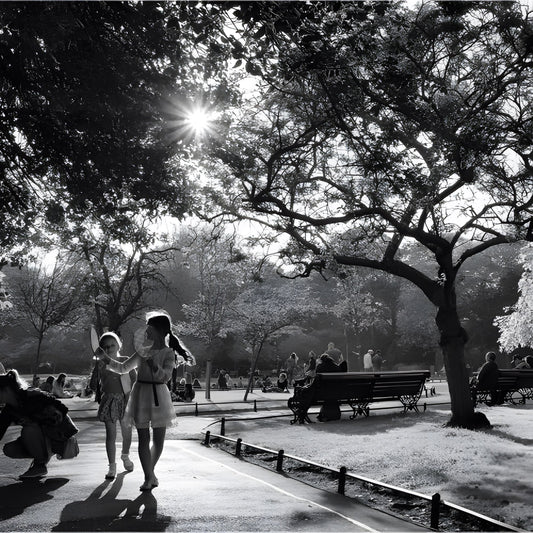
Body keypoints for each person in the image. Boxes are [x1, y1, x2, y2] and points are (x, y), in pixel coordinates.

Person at [98, 310, 192, 491]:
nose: (146, 332)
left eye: (150, 328)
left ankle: (150, 472)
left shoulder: (168, 353)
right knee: (143, 438)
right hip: (140, 394)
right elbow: (123, 367)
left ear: (160, 331)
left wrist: (153, 365)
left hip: (159, 396)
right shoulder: (141, 352)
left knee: (158, 440)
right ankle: (148, 477)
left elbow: (165, 377)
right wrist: (105, 358)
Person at [0, 369, 78, 479]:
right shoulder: (8, 410)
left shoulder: (31, 396)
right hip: (42, 439)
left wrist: (41, 416)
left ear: (6, 390)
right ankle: (41, 457)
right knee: (10, 449)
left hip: (59, 438)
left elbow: (63, 408)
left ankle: (40, 464)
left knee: (29, 428)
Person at [90, 331, 136, 480]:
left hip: (125, 400)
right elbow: (92, 385)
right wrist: (97, 370)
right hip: (109, 401)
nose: (109, 349)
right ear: (101, 349)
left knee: (126, 433)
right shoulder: (101, 364)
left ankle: (125, 456)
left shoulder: (125, 360)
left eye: (112, 345)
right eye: (106, 346)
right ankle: (112, 466)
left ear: (118, 345)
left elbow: (135, 381)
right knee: (111, 435)